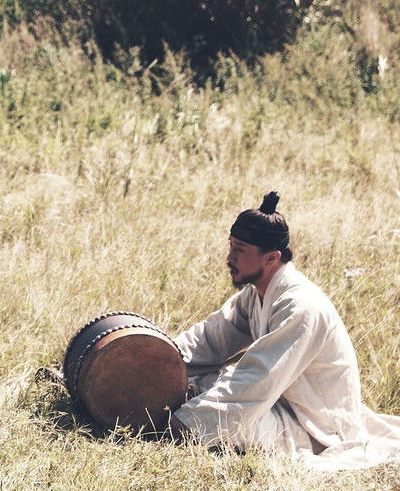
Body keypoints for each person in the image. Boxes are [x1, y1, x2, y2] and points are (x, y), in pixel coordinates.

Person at [169, 191, 400, 470]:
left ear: (271, 258)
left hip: (314, 425)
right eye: (230, 246)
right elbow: (210, 337)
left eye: (239, 250)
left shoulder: (301, 306)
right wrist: (162, 359)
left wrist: (185, 423)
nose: (229, 257)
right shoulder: (256, 294)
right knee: (195, 382)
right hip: (280, 404)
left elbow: (257, 378)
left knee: (224, 414)